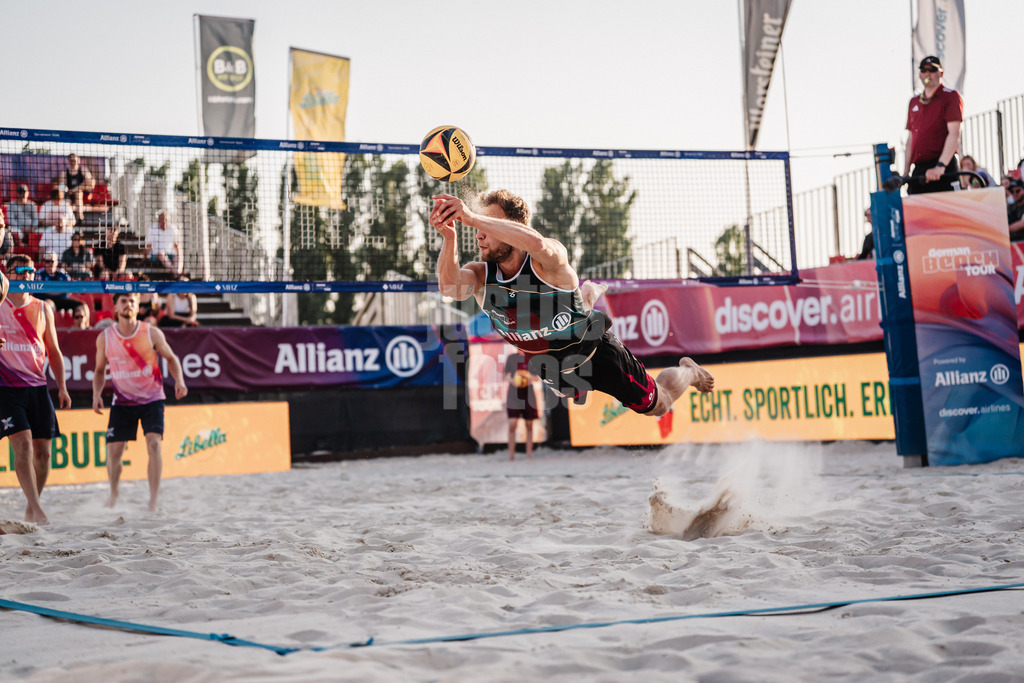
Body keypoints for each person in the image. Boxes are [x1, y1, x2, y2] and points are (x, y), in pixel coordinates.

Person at [430, 190, 714, 419]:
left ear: (512, 228)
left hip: (596, 355)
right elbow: (450, 287)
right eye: (479, 224)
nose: (479, 232)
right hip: (552, 368)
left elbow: (536, 242)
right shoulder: (482, 275)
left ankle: (690, 371)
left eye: (488, 224)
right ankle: (584, 300)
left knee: (658, 406)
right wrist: (450, 237)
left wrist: (471, 217)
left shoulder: (548, 260)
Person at [92, 292, 188, 512]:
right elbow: (99, 371)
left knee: (154, 444)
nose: (128, 305)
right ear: (115, 308)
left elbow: (172, 358)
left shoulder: (151, 332)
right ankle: (114, 493)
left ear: (138, 307)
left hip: (152, 398)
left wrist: (179, 380)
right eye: (123, 301)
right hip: (123, 401)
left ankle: (153, 501)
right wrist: (96, 395)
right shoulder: (105, 337)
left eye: (132, 301)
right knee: (114, 453)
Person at [0, 255, 72, 525]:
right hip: (7, 387)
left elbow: (54, 351)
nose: (28, 275)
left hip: (38, 387)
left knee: (44, 453)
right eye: (22, 270)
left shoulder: (42, 308)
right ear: (8, 274)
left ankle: (33, 506)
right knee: (24, 445)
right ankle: (38, 509)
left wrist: (62, 387)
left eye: (31, 270)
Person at [903, 56, 963, 195]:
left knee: (951, 213)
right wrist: (905, 172)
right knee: (919, 215)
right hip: (920, 170)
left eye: (932, 70)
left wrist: (941, 166)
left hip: (943, 168)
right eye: (924, 70)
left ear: (940, 73)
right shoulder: (914, 102)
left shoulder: (950, 96)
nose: (928, 74)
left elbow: (954, 133)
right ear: (919, 74)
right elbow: (911, 139)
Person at [504, 352, 541, 461]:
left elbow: (537, 377)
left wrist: (530, 378)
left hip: (528, 392)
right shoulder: (511, 358)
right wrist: (512, 381)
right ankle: (511, 456)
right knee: (512, 423)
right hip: (513, 392)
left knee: (529, 424)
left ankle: (529, 455)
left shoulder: (532, 358)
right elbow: (505, 375)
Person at [145, 211, 181, 277]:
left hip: (170, 255)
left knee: (177, 258)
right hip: (155, 255)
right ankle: (176, 274)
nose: (164, 221)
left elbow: (176, 245)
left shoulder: (173, 228)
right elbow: (148, 246)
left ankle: (176, 272)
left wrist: (180, 256)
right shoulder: (152, 228)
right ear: (158, 220)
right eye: (162, 220)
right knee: (161, 254)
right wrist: (144, 259)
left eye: (166, 220)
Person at [64, 153, 95, 222]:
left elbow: (91, 183)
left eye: (74, 160)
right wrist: (68, 191)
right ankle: (68, 219)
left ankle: (80, 217)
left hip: (84, 194)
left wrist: (77, 188)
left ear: (78, 160)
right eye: (71, 160)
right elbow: (62, 185)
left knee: (78, 192)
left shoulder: (83, 170)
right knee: (66, 199)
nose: (73, 162)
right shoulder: (65, 173)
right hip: (70, 194)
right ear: (69, 161)